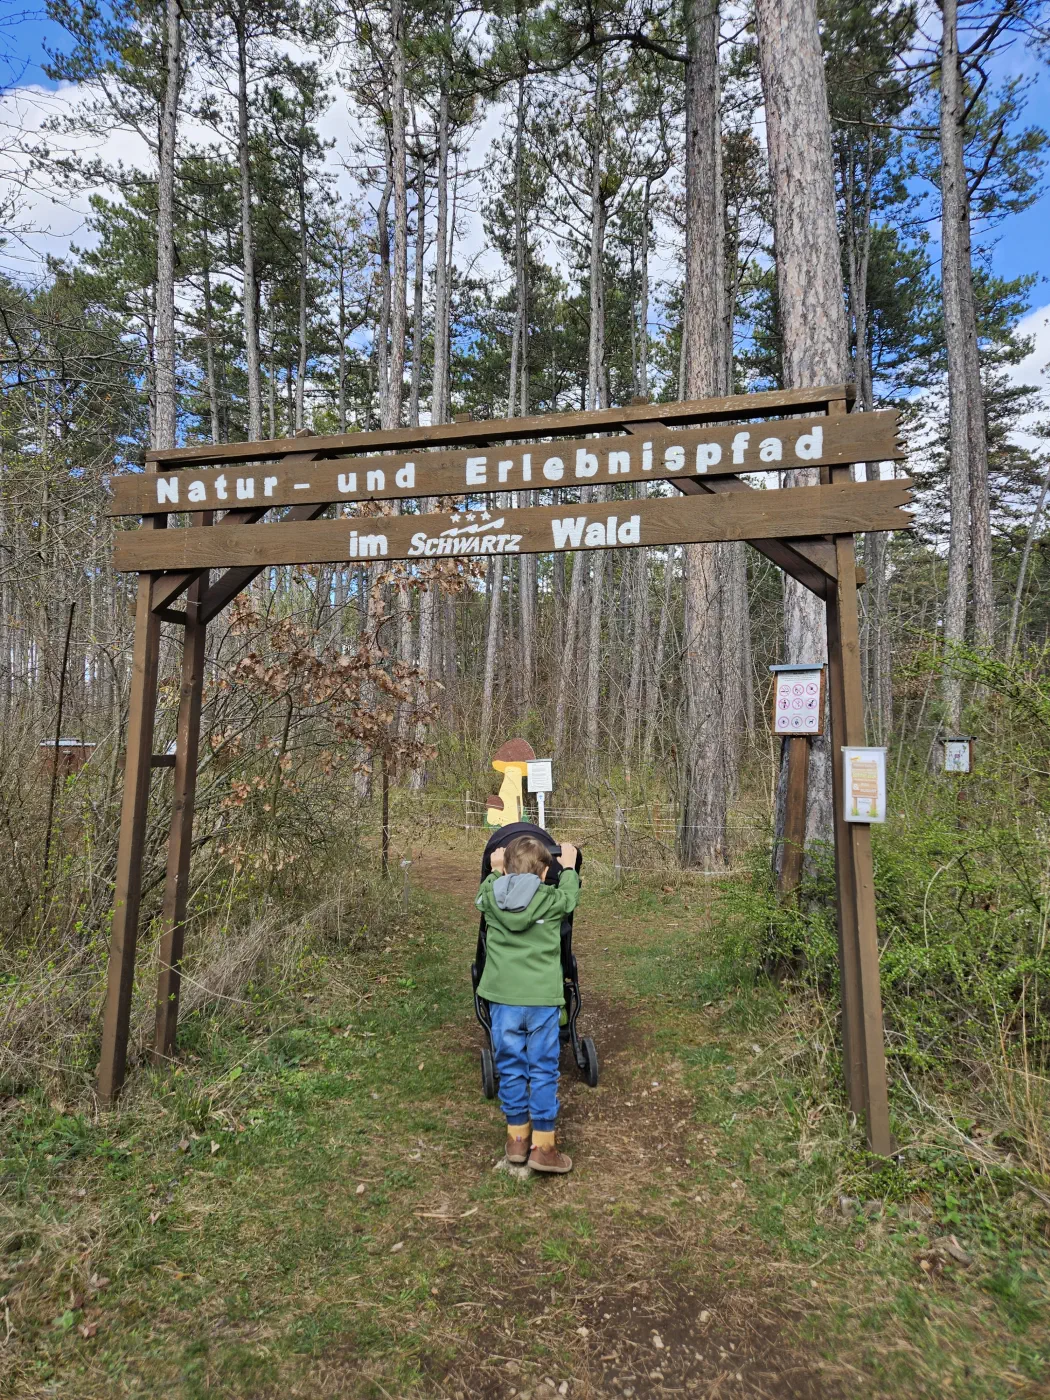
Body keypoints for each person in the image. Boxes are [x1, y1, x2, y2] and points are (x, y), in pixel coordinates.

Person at [475, 833, 580, 1174]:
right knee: (543, 1068)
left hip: (503, 1000)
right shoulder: (551, 899)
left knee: (511, 1066)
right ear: (541, 875)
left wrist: (494, 871)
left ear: (505, 870)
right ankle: (544, 1147)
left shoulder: (490, 894)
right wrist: (567, 868)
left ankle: (517, 1139)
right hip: (541, 1000)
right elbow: (570, 896)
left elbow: (483, 892)